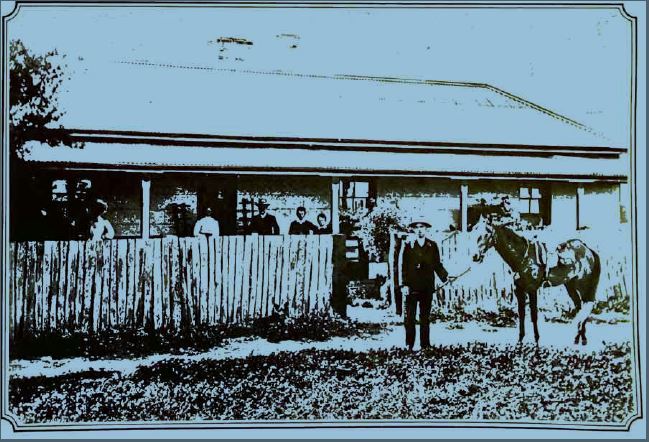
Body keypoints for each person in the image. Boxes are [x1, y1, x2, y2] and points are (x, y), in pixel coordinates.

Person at [399, 219, 455, 351]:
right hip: (411, 288)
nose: (419, 229)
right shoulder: (408, 245)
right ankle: (409, 345)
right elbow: (403, 267)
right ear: (413, 229)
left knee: (425, 317)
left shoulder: (432, 246)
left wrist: (446, 276)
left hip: (426, 287)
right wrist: (404, 285)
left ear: (426, 229)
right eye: (417, 227)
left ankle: (425, 345)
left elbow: (437, 265)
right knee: (410, 318)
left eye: (422, 227)